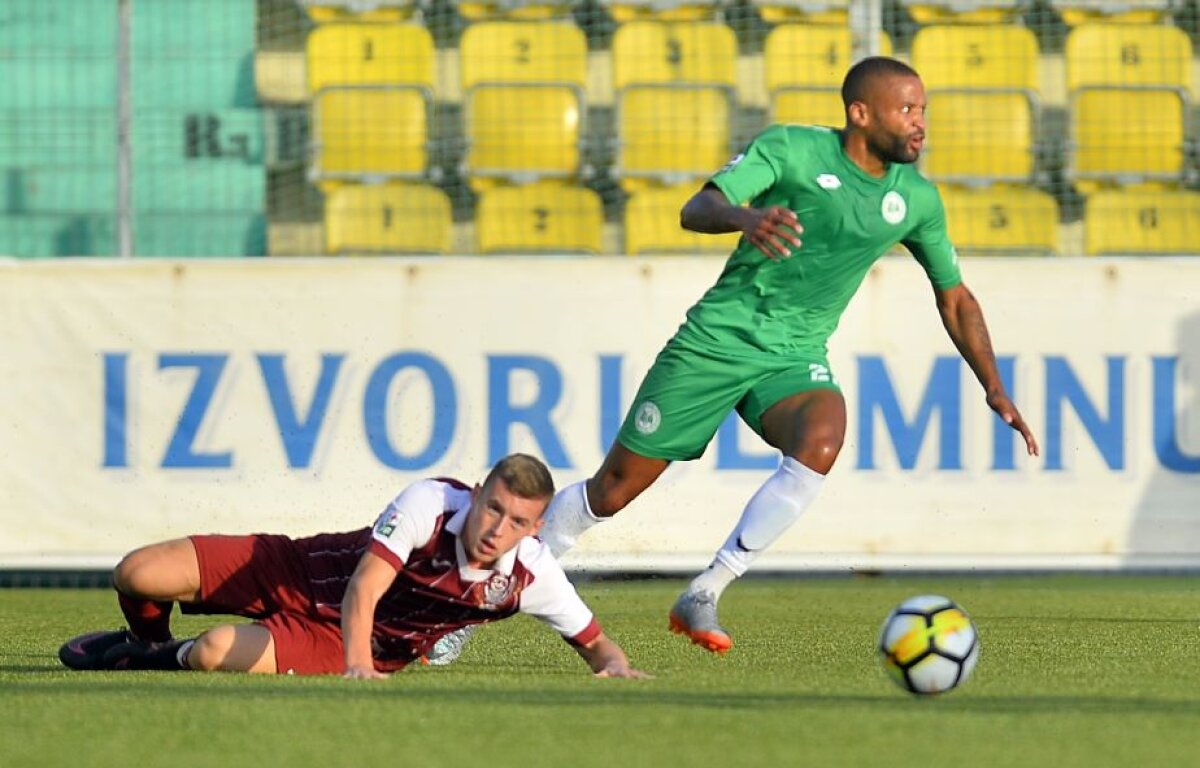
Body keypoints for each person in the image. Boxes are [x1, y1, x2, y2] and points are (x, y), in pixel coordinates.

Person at [432, 56, 1041, 662]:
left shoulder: (916, 199)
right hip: (715, 344)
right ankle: (463, 610)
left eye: (923, 110)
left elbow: (955, 297)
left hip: (794, 356)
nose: (920, 123)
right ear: (861, 113)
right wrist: (745, 217)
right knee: (611, 493)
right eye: (907, 109)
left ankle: (705, 589)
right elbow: (696, 208)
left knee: (822, 439)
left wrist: (993, 385)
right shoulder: (792, 151)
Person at [58, 453, 648, 679]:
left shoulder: (529, 575)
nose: (498, 529)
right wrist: (358, 669)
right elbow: (366, 585)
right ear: (476, 492)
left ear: (535, 529)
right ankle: (143, 642)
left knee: (213, 651)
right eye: (493, 508)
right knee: (136, 572)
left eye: (517, 522)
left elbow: (598, 644)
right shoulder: (432, 501)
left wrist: (615, 668)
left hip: (329, 639)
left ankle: (155, 660)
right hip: (295, 567)